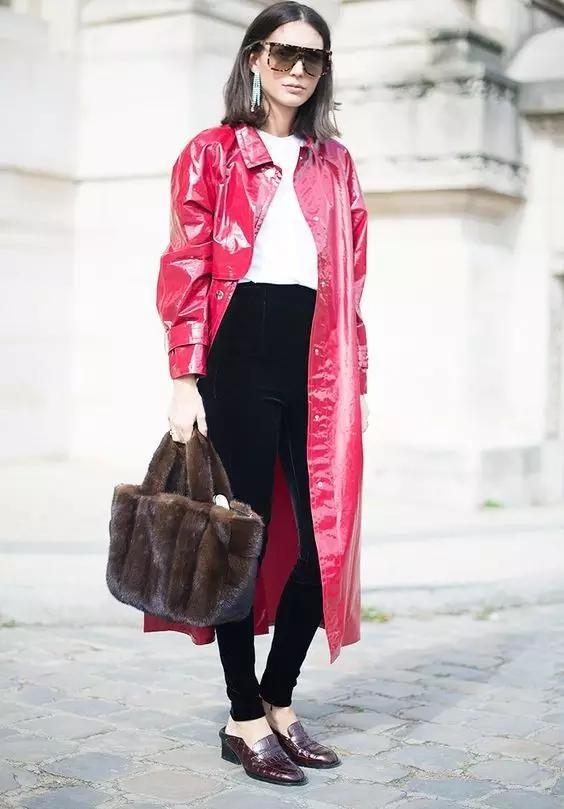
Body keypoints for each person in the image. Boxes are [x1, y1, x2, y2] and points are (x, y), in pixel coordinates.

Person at [153, 0, 369, 787]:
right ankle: (243, 716)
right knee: (240, 543)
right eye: (283, 53)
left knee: (322, 545)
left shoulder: (335, 163)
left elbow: (352, 282)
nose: (297, 70)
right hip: (238, 360)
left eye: (313, 58)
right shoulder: (211, 153)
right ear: (254, 58)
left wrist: (357, 377)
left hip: (319, 368)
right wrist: (185, 378)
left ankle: (280, 697)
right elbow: (187, 266)